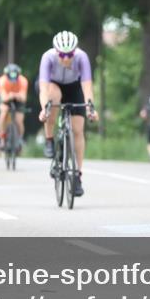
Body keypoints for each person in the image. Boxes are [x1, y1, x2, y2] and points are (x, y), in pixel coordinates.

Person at [37, 30, 99, 197]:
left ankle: (77, 175)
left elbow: (87, 86)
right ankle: (49, 139)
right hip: (52, 85)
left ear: (75, 51)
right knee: (54, 98)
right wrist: (44, 109)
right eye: (62, 54)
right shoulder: (48, 57)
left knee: (78, 129)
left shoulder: (82, 57)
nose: (66, 58)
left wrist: (90, 108)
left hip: (74, 86)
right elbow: (43, 88)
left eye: (69, 54)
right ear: (56, 51)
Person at [0, 63, 28, 151]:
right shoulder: (1, 81)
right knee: (3, 113)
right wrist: (11, 95)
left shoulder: (23, 81)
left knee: (19, 120)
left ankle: (20, 138)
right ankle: (2, 138)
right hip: (6, 99)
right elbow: (3, 97)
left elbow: (23, 98)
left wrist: (15, 95)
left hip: (18, 100)